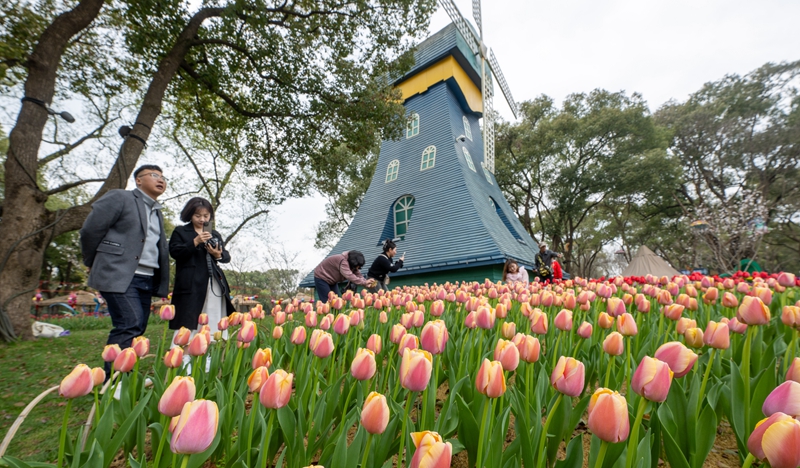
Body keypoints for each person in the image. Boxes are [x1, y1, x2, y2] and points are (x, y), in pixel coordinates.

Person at [80, 165, 170, 372]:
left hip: (146, 277)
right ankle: (114, 381)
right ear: (138, 180)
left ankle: (125, 377)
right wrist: (93, 261)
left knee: (138, 328)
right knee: (129, 323)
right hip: (119, 273)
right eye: (155, 175)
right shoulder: (120, 198)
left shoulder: (157, 213)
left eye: (164, 178)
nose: (161, 180)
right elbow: (90, 230)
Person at [168, 197, 234, 341]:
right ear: (189, 215)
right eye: (197, 216)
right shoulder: (181, 232)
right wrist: (195, 242)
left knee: (213, 313)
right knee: (189, 317)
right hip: (190, 283)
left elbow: (226, 257)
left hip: (212, 281)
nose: (202, 219)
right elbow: (175, 252)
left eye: (206, 216)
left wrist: (217, 254)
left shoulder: (214, 233)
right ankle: (184, 352)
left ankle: (213, 348)